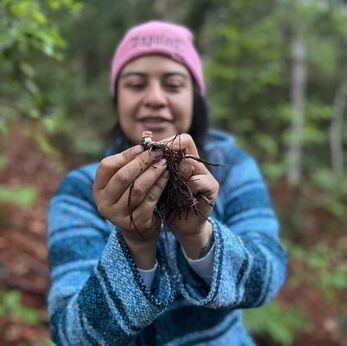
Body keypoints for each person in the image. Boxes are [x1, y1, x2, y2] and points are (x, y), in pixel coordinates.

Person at [47, 20, 287, 346]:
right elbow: (71, 335)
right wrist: (135, 243)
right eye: (135, 84)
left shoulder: (232, 169)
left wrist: (197, 234)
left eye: (173, 84)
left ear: (195, 98)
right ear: (116, 98)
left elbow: (268, 274)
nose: (155, 98)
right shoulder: (83, 191)